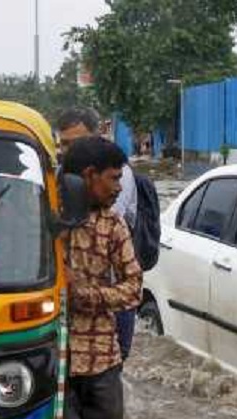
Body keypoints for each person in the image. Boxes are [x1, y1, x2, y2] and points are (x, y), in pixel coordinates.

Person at [57, 136, 143, 419]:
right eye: (114, 178)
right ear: (90, 175)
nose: (119, 188)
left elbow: (134, 288)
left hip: (101, 358)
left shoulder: (113, 224)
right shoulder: (45, 215)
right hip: (55, 358)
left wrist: (87, 294)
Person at [57, 107, 160, 361]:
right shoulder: (59, 177)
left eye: (77, 143)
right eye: (64, 145)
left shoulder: (114, 182)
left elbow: (92, 224)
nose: (69, 152)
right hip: (66, 308)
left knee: (111, 369)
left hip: (109, 300)